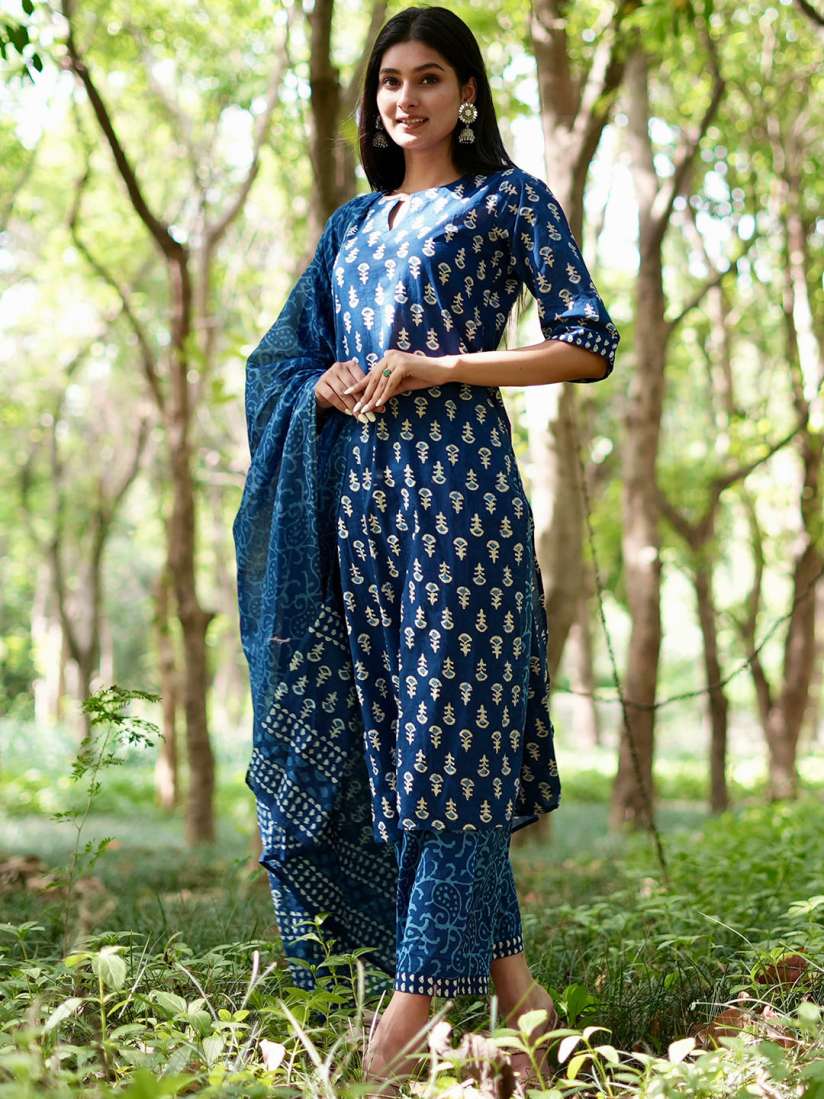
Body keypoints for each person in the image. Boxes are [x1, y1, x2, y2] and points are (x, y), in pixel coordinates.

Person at [233, 5, 620, 1095]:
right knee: (401, 748)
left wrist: (440, 366)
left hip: (459, 499)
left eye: (428, 78)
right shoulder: (350, 226)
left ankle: (400, 1024)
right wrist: (328, 379)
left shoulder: (507, 200)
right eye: (389, 81)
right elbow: (282, 356)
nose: (404, 98)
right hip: (357, 505)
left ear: (467, 94)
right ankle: (522, 1009)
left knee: (450, 734)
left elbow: (586, 342)